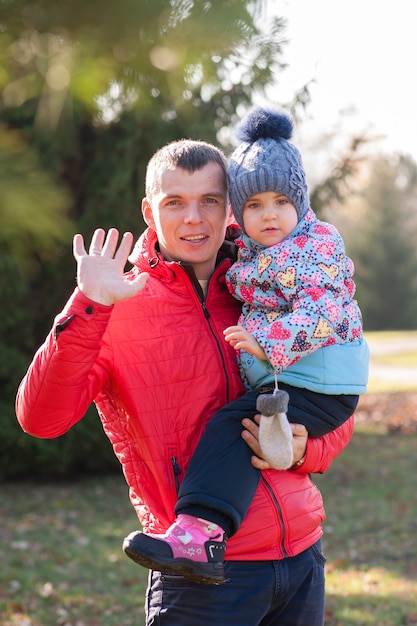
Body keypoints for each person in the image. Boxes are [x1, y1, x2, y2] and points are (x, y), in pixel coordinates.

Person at [16, 133, 355, 626]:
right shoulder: (112, 305)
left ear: (231, 211)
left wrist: (308, 450)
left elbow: (333, 389)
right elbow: (41, 419)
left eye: (210, 201)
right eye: (175, 202)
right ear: (150, 213)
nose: (194, 218)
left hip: (300, 558)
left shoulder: (270, 285)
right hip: (199, 578)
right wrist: (88, 305)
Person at [122, 107, 369, 586]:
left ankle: (198, 534)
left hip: (319, 382)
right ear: (240, 211)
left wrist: (264, 344)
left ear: (301, 203)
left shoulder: (314, 248)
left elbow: (326, 314)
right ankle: (201, 534)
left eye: (281, 201)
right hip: (304, 381)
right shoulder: (256, 254)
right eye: (255, 205)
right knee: (239, 431)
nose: (269, 214)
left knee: (231, 426)